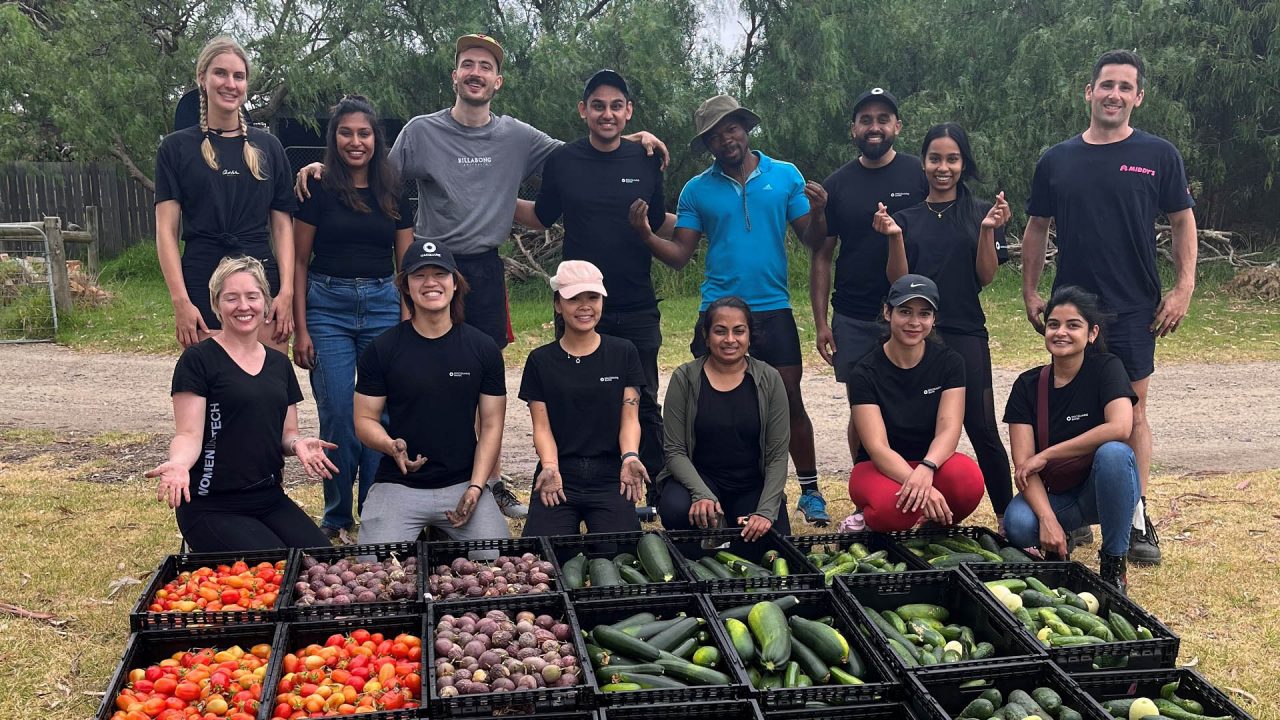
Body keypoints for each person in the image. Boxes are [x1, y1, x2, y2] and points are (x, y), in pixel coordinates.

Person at [296, 34, 668, 518]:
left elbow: (588, 151)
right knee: (421, 372)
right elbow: (371, 178)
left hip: (484, 269)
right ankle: (426, 473)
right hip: (431, 265)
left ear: (498, 80)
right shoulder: (420, 132)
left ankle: (487, 479)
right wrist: (324, 166)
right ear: (455, 75)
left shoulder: (519, 137)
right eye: (467, 64)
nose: (475, 72)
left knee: (481, 378)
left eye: (485, 66)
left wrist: (634, 141)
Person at [1023, 49, 1198, 565]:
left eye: (1125, 87)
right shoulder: (1057, 159)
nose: (1114, 95)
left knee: (1133, 412)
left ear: (1138, 97)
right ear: (1089, 92)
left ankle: (1135, 515)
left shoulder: (1159, 154)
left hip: (1134, 309)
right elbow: (1037, 227)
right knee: (1071, 411)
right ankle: (1074, 515)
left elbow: (1183, 221)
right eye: (1106, 85)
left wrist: (1183, 287)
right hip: (1073, 309)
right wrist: (1031, 291)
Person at [640, 94, 828, 527]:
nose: (726, 139)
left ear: (745, 127)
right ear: (707, 144)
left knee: (788, 401)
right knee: (709, 404)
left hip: (772, 307)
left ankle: (811, 491)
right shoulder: (696, 189)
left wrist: (820, 214)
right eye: (714, 135)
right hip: (717, 312)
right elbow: (680, 254)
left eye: (731, 128)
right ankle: (709, 485)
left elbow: (813, 240)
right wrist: (645, 235)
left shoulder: (784, 176)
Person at [512, 69, 668, 498]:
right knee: (572, 398)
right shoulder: (562, 161)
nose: (607, 113)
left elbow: (656, 223)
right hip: (577, 300)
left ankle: (647, 489)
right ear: (583, 111)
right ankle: (563, 480)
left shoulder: (648, 159)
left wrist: (705, 224)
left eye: (616, 106)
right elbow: (542, 216)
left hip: (635, 301)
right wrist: (488, 198)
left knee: (643, 398)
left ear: (629, 112)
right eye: (598, 105)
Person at [146, 256, 336, 552]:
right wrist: (179, 464)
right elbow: (188, 434)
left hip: (268, 498)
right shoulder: (198, 360)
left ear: (266, 302)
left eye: (252, 296)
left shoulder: (278, 364)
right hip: (211, 504)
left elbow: (286, 433)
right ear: (216, 304)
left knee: (324, 563)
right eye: (231, 298)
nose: (243, 306)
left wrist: (298, 443)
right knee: (276, 571)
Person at [291, 95, 415, 543]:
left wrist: (407, 327)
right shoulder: (316, 188)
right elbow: (300, 261)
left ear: (376, 139)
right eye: (346, 133)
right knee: (340, 414)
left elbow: (407, 266)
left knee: (379, 416)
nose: (355, 141)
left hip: (384, 302)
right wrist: (300, 328)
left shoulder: (393, 189)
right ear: (334, 138)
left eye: (364, 133)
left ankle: (376, 509)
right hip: (327, 307)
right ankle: (338, 516)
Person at [878, 121, 1014, 524]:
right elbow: (897, 283)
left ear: (963, 163)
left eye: (952, 159)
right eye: (935, 158)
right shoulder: (906, 217)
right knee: (911, 424)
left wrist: (989, 230)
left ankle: (1009, 516)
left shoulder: (981, 213)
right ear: (923, 163)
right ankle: (904, 508)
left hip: (966, 329)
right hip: (916, 335)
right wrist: (894, 237)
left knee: (982, 426)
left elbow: (985, 277)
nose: (943, 167)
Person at [801, 88, 929, 485]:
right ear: (853, 129)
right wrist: (822, 322)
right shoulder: (837, 185)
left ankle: (915, 485)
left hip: (912, 312)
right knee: (863, 405)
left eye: (882, 119)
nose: (874, 127)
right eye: (866, 120)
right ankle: (866, 486)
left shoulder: (920, 174)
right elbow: (821, 255)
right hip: (855, 316)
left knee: (914, 401)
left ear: (897, 127)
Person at [352, 238, 509, 544]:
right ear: (405, 286)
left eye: (440, 274)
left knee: (499, 565)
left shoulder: (483, 348)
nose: (430, 283)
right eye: (420, 275)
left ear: (455, 283)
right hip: (399, 484)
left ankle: (441, 536)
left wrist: (477, 487)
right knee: (370, 573)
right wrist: (388, 444)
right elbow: (364, 420)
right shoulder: (382, 349)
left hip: (462, 483)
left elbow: (491, 425)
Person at [155, 36, 296, 352]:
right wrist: (180, 301)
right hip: (201, 280)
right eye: (220, 73)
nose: (230, 83)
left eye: (239, 76)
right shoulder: (175, 148)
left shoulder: (269, 147)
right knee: (211, 389)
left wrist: (286, 292)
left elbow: (283, 226)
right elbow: (165, 230)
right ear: (202, 78)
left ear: (246, 83)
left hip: (261, 279)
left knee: (268, 389)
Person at [1003, 286, 1140, 592]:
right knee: (1020, 523)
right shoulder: (1027, 385)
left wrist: (1048, 454)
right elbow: (1024, 467)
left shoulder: (1107, 368)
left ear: (1091, 334)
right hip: (1060, 495)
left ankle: (1114, 564)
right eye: (1054, 324)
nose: (1061, 332)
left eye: (1072, 325)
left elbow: (1120, 427)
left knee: (1115, 454)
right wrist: (1047, 518)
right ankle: (1056, 541)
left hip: (1102, 489)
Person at [519, 261, 649, 535]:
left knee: (621, 554)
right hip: (560, 471)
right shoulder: (540, 360)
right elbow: (541, 427)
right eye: (573, 298)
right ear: (558, 305)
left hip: (610, 473)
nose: (584, 306)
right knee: (543, 559)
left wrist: (630, 457)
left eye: (592, 297)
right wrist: (550, 467)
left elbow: (630, 417)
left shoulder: (623, 352)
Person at [846, 274, 984, 532]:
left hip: (930, 463)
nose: (914, 322)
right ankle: (865, 523)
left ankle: (930, 528)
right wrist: (920, 484)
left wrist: (927, 468)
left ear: (934, 319)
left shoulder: (950, 362)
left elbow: (949, 430)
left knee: (969, 482)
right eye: (905, 311)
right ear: (888, 313)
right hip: (878, 467)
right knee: (892, 511)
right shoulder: (864, 372)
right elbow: (877, 447)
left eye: (924, 314)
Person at [657, 296, 792, 548]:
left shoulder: (770, 379)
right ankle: (700, 545)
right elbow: (674, 451)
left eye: (739, 331)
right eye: (720, 331)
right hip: (699, 478)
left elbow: (777, 456)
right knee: (677, 509)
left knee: (770, 544)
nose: (730, 339)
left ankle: (730, 529)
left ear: (749, 335)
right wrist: (702, 494)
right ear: (706, 336)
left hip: (751, 483)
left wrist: (765, 511)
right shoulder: (684, 378)